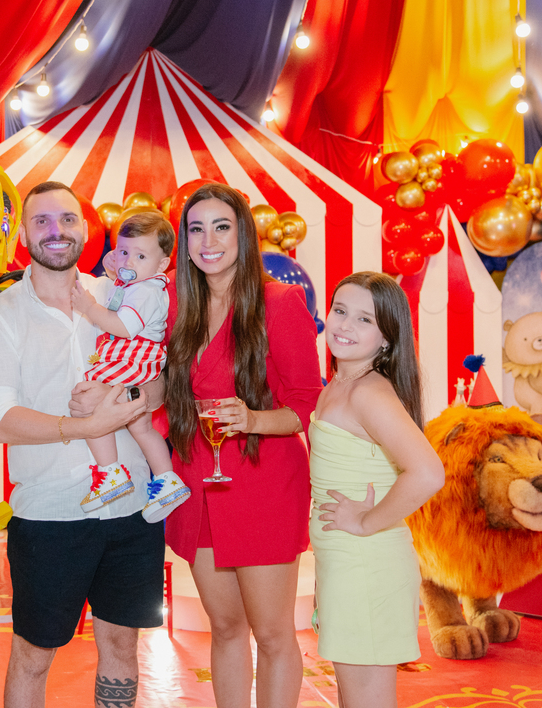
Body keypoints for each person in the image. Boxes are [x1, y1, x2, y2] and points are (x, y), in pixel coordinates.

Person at [0, 181, 166, 708]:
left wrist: (130, 394)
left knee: (123, 644)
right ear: (24, 233)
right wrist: (83, 426)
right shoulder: (0, 315)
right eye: (42, 221)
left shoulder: (119, 296)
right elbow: (0, 420)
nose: (57, 231)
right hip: (51, 515)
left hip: (133, 509)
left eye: (67, 220)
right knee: (34, 655)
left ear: (86, 227)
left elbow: (161, 377)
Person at [163, 182, 321, 708]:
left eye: (222, 226)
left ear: (244, 235)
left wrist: (252, 418)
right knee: (224, 629)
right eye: (196, 228)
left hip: (264, 486)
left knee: (274, 634)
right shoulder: (175, 304)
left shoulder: (280, 303)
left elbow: (305, 403)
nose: (208, 240)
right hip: (197, 488)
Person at [309, 272, 445, 707]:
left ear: (387, 337)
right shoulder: (340, 385)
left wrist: (367, 521)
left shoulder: (369, 392)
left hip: (367, 565)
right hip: (347, 564)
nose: (345, 326)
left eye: (364, 320)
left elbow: (427, 472)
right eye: (340, 311)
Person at [71, 212, 191, 521]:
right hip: (138, 357)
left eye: (140, 255)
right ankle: (167, 479)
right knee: (141, 426)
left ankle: (110, 472)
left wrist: (88, 307)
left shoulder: (148, 291)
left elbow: (123, 325)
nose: (129, 261)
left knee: (87, 401)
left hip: (132, 355)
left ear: (162, 265)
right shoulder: (139, 283)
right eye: (124, 251)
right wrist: (118, 266)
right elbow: (122, 285)